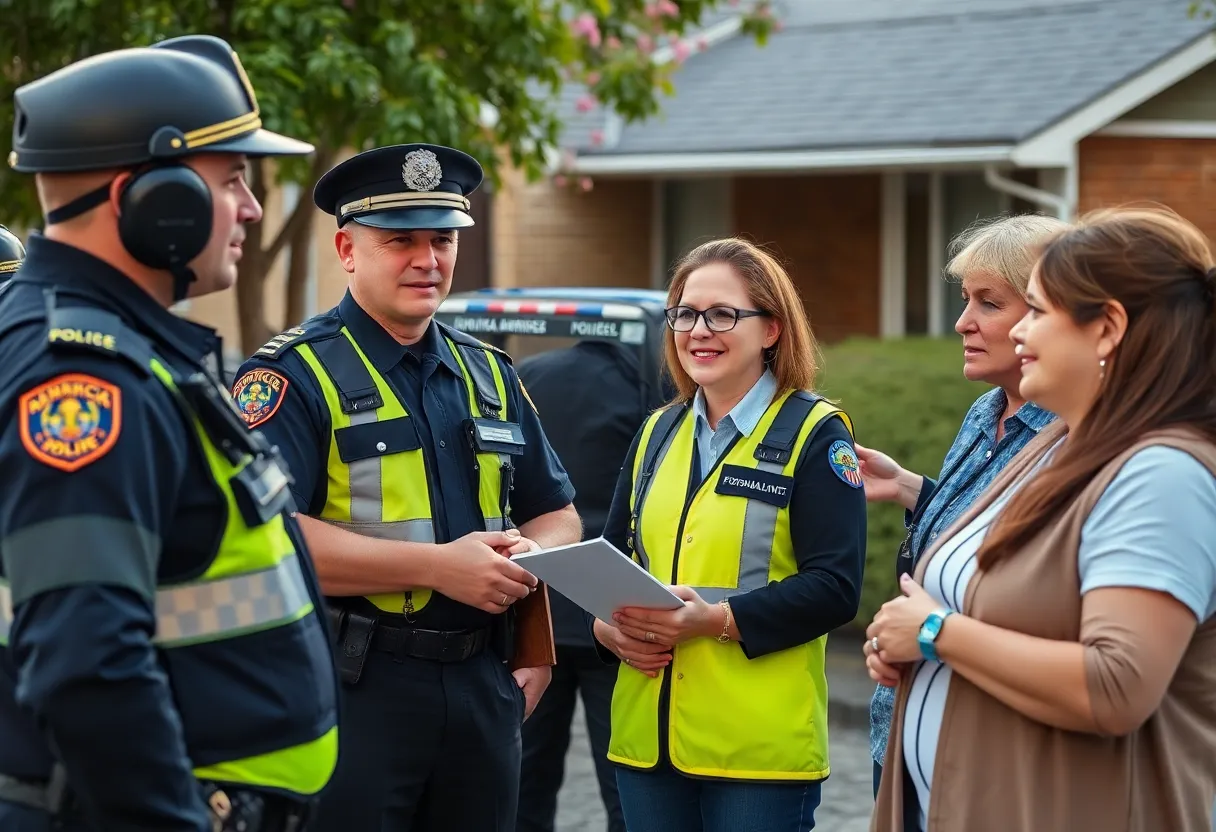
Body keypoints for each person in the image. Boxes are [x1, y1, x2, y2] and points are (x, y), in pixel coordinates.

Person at [0, 35, 337, 832]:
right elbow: (87, 661)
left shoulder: (111, 347)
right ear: (151, 200)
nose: (253, 209)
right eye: (232, 182)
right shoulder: (83, 380)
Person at [231, 143, 582, 832]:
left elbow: (557, 512)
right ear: (347, 248)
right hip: (354, 685)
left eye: (442, 239)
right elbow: (265, 537)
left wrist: (521, 589)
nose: (428, 260)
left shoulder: (490, 373)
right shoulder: (290, 377)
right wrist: (438, 568)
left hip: (485, 683)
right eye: (401, 241)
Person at [867, 205, 1216, 832]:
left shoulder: (1162, 475)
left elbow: (1115, 685)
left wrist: (933, 634)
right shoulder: (1054, 447)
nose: (1022, 334)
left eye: (1038, 311)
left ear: (1106, 328)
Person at [590, 238, 867, 832]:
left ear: (771, 329)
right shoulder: (657, 432)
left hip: (756, 754)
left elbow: (836, 588)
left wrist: (715, 620)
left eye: (722, 314)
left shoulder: (814, 433)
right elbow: (613, 560)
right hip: (648, 740)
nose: (698, 331)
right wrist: (606, 629)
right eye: (686, 314)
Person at [855, 214, 1064, 799]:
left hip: (981, 750)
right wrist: (911, 489)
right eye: (966, 299)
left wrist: (928, 632)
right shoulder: (985, 411)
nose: (962, 322)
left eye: (988, 303)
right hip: (899, 729)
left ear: (1051, 314)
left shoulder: (1076, 437)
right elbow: (979, 526)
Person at [515, 340, 670, 832]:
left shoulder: (527, 376)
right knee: (623, 778)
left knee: (525, 776)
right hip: (612, 608)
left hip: (534, 606)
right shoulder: (651, 391)